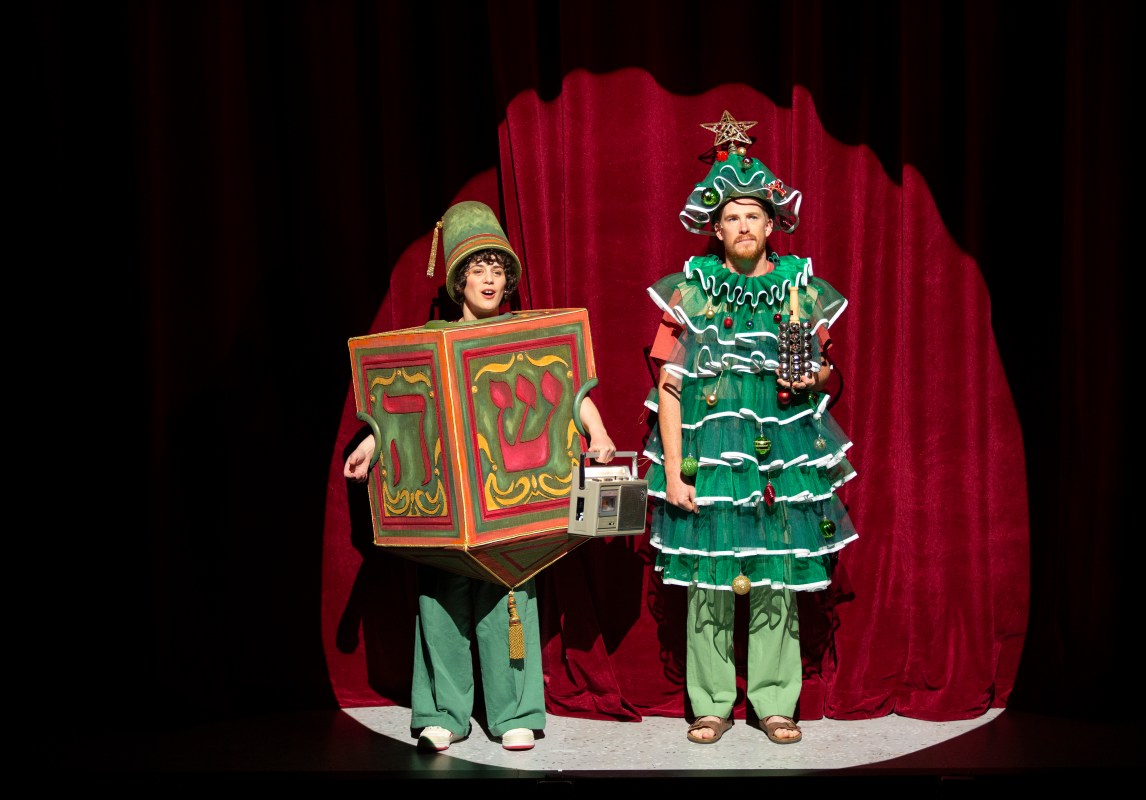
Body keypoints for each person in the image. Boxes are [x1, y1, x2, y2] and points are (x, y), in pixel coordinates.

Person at [344, 200, 616, 752]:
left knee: (509, 603)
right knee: (441, 606)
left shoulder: (528, 333)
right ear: (458, 280)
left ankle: (514, 712)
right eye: (478, 270)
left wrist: (600, 433)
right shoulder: (432, 338)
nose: (489, 280)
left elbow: (571, 388)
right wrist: (371, 446)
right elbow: (400, 401)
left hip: (512, 503)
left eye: (497, 270)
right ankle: (445, 711)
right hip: (447, 509)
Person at [642, 113, 859, 745]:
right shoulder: (694, 290)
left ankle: (773, 701)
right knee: (709, 575)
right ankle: (709, 701)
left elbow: (820, 376)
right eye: (732, 215)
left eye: (754, 215)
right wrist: (676, 473)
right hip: (708, 455)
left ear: (771, 225)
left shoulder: (796, 292)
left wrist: (812, 376)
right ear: (717, 226)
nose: (743, 225)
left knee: (777, 577)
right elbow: (669, 385)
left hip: (778, 459)